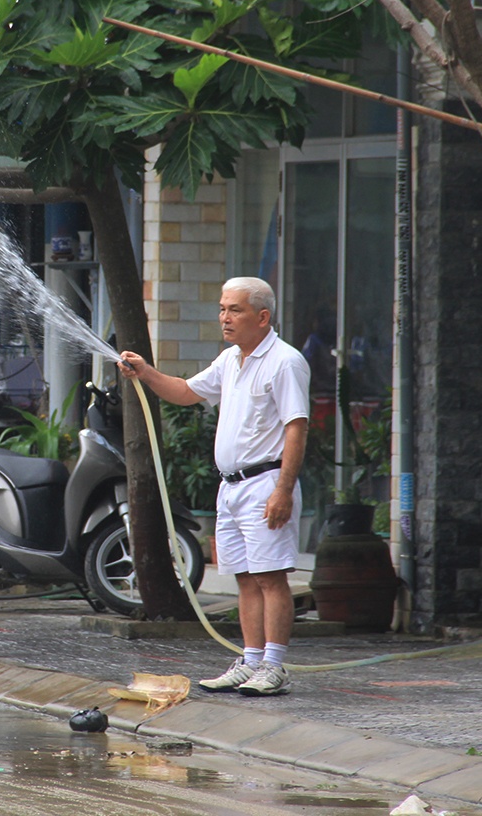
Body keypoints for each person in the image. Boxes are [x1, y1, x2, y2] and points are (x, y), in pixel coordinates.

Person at [118, 276, 309, 697]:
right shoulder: (230, 360)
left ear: (262, 316)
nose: (224, 318)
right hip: (231, 488)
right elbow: (186, 392)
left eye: (234, 310)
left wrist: (283, 489)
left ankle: (274, 666)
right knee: (244, 577)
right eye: (222, 309)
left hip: (265, 484)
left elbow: (297, 429)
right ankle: (252, 659)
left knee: (270, 577)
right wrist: (147, 373)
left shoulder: (285, 361)